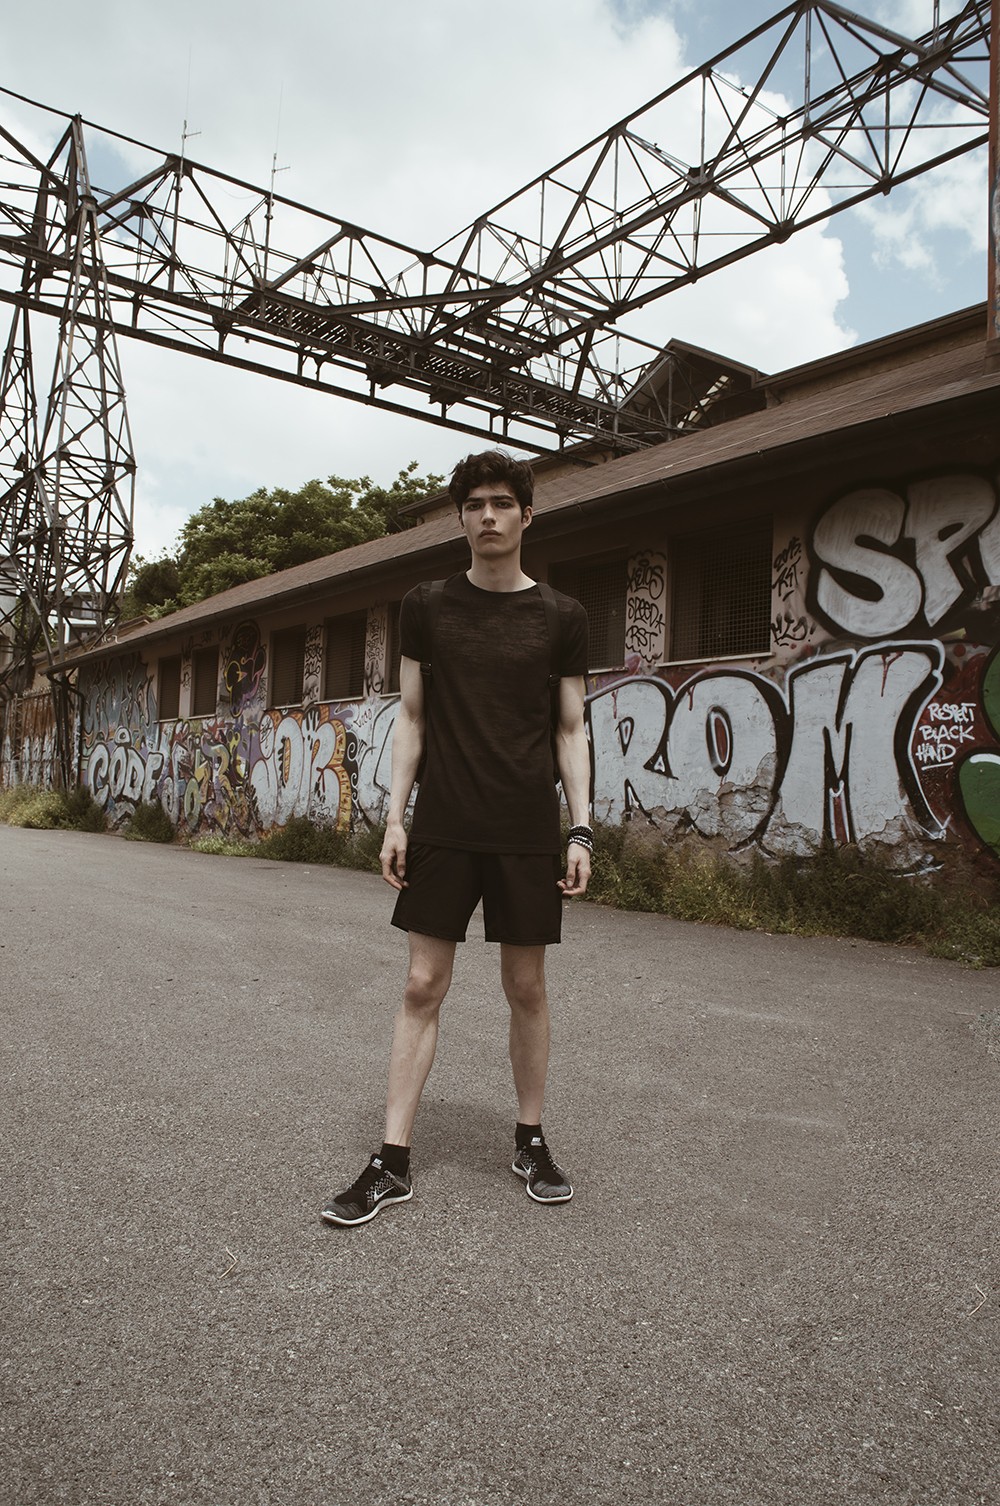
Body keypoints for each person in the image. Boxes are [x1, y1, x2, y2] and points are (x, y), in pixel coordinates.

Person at [321, 449, 593, 1226]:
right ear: (462, 517)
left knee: (526, 988)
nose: (488, 516)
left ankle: (531, 1140)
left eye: (502, 503)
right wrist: (395, 817)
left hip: (526, 829)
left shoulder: (562, 616)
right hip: (443, 821)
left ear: (527, 515)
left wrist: (581, 828)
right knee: (421, 984)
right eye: (475, 504)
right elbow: (411, 718)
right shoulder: (428, 606)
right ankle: (392, 1159)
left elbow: (571, 729)